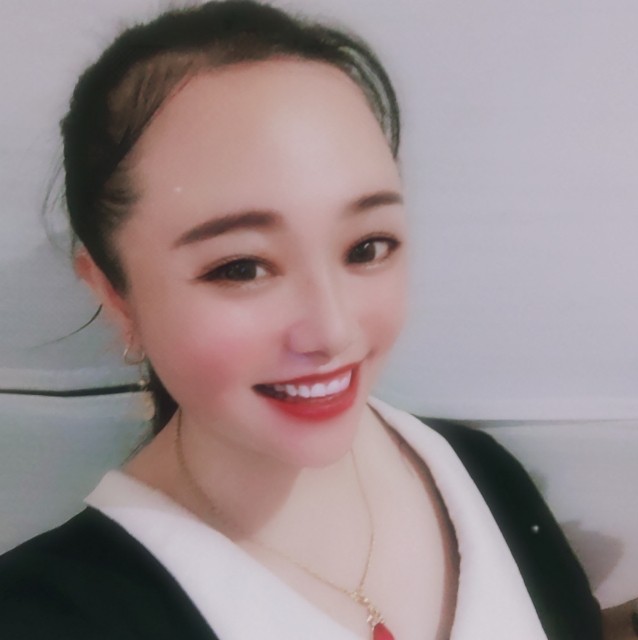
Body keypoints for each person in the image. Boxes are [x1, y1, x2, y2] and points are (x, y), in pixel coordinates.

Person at [0, 1, 604, 638]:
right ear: (115, 294)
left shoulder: (481, 474)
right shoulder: (43, 616)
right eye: (241, 267)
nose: (333, 331)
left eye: (366, 247)